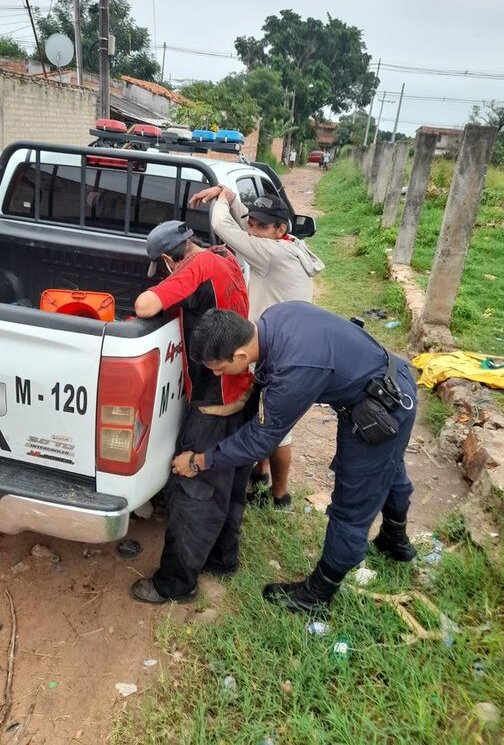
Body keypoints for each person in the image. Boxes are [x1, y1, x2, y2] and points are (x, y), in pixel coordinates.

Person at [171, 303, 418, 613]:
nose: (218, 374)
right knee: (389, 469)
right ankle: (395, 540)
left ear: (239, 357)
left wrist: (199, 461)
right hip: (387, 381)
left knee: (353, 499)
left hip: (382, 407)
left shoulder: (293, 371)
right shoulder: (275, 318)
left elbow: (261, 440)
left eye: (219, 368)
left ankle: (318, 593)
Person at [130, 220, 254, 605]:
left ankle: (176, 583)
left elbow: (144, 305)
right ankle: (221, 558)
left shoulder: (195, 269)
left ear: (169, 258)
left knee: (194, 491)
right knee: (229, 482)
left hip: (215, 396)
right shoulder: (224, 257)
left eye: (163, 266)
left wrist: (165, 287)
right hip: (242, 387)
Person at [188, 186, 324, 509]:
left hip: (283, 354)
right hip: (277, 343)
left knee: (279, 430)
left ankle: (281, 497)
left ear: (281, 230)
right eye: (253, 222)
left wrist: (222, 200)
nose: (253, 230)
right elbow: (243, 225)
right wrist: (230, 194)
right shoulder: (289, 246)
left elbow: (224, 229)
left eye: (262, 226)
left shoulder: (273, 255)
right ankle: (260, 476)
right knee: (262, 416)